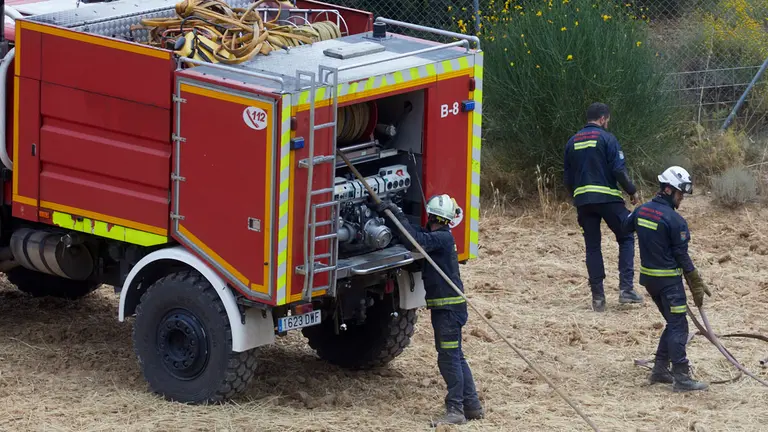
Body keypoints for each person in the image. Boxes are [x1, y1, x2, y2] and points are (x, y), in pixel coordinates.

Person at [377, 194, 483, 426]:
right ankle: (472, 405)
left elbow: (415, 240)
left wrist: (396, 215)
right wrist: (397, 219)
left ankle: (455, 410)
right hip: (449, 309)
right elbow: (416, 235)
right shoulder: (441, 237)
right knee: (455, 356)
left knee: (448, 359)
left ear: (433, 216)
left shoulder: (442, 239)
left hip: (448, 311)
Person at [622, 166, 711, 392]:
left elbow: (625, 227)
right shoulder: (676, 221)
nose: (682, 199)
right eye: (681, 194)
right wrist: (695, 280)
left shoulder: (641, 211)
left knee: (673, 323)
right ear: (670, 190)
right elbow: (681, 255)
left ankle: (661, 369)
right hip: (669, 282)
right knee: (679, 325)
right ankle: (681, 376)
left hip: (650, 281)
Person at [563, 102, 644, 312]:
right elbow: (618, 170)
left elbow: (568, 178)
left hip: (583, 201)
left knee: (592, 247)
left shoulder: (572, 142)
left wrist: (578, 196)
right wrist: (632, 191)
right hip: (607, 198)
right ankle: (626, 289)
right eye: (607, 120)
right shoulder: (607, 139)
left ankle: (598, 298)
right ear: (602, 119)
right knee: (626, 236)